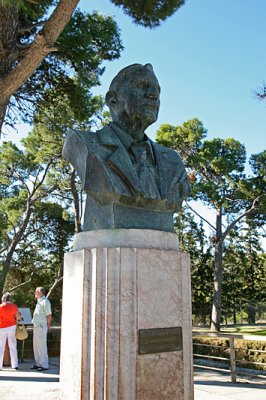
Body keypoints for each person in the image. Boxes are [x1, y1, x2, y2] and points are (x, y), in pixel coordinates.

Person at [62, 63, 190, 232]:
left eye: (157, 90)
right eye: (140, 86)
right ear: (112, 100)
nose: (152, 95)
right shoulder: (85, 144)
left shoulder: (172, 160)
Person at [31, 287, 52, 371]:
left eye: (37, 291)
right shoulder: (39, 302)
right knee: (36, 346)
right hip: (36, 326)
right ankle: (38, 363)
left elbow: (49, 315)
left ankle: (44, 364)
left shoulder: (45, 302)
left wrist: (48, 325)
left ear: (42, 292)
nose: (35, 292)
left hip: (41, 326)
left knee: (42, 346)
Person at [0, 292, 21, 370]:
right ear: (10, 298)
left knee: (1, 346)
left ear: (4, 299)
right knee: (12, 346)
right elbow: (18, 317)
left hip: (2, 327)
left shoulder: (0, 307)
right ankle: (15, 365)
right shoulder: (14, 306)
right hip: (12, 327)